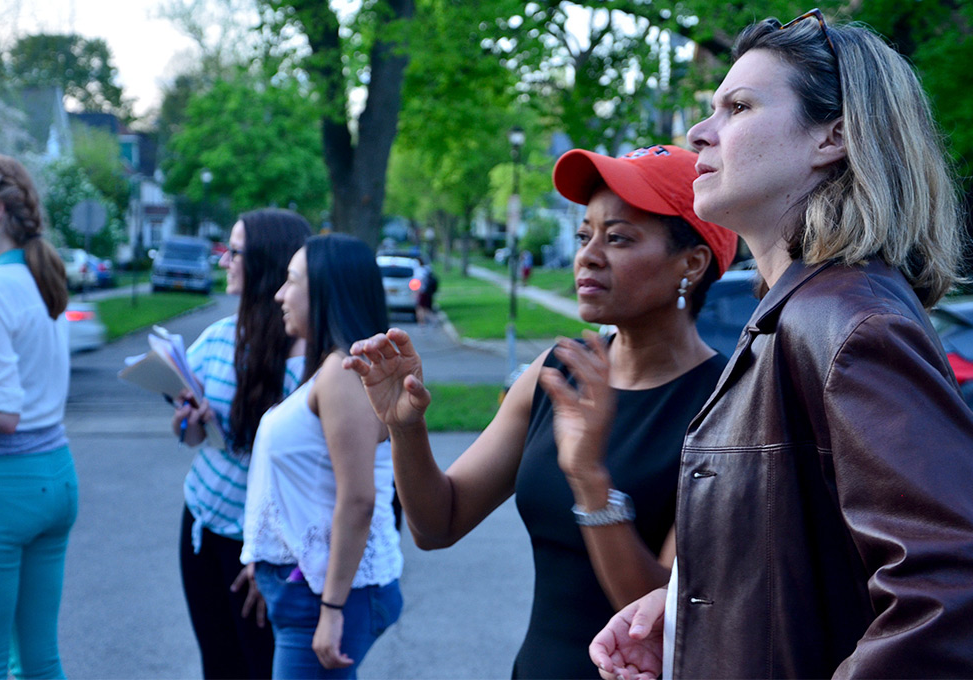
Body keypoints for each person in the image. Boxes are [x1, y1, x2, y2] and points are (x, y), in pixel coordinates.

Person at [589, 10, 973, 679]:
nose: (698, 133)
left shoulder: (848, 323)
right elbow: (815, 566)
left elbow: (971, 575)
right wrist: (688, 615)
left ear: (832, 137)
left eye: (738, 106)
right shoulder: (798, 311)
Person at [344, 145, 739, 678]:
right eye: (584, 236)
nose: (588, 255)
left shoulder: (726, 409)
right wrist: (404, 426)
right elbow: (438, 523)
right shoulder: (554, 371)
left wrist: (590, 479)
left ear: (690, 263)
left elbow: (658, 624)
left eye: (618, 237)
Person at [240, 233, 403, 679]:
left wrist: (331, 609)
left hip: (329, 595)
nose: (279, 294)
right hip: (305, 586)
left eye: (291, 282)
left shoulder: (343, 374)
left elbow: (358, 499)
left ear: (328, 290)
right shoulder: (330, 368)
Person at [171, 208, 312, 679]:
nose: (224, 261)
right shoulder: (216, 339)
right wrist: (190, 418)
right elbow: (194, 437)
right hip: (202, 526)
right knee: (218, 664)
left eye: (235, 252)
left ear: (268, 264)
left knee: (260, 667)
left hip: (268, 552)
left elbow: (317, 479)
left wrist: (279, 560)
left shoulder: (316, 366)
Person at [0, 155, 77, 679]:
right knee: (38, 656)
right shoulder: (43, 278)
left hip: (0, 486)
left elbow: (1, 413)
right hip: (55, 475)